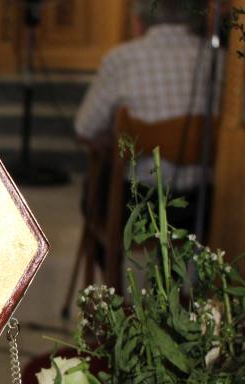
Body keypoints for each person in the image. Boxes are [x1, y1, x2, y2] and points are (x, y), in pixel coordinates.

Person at [73, 0, 221, 226]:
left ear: (138, 21)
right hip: (210, 207)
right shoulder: (222, 61)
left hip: (139, 208)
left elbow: (85, 129)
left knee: (101, 174)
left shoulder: (121, 59)